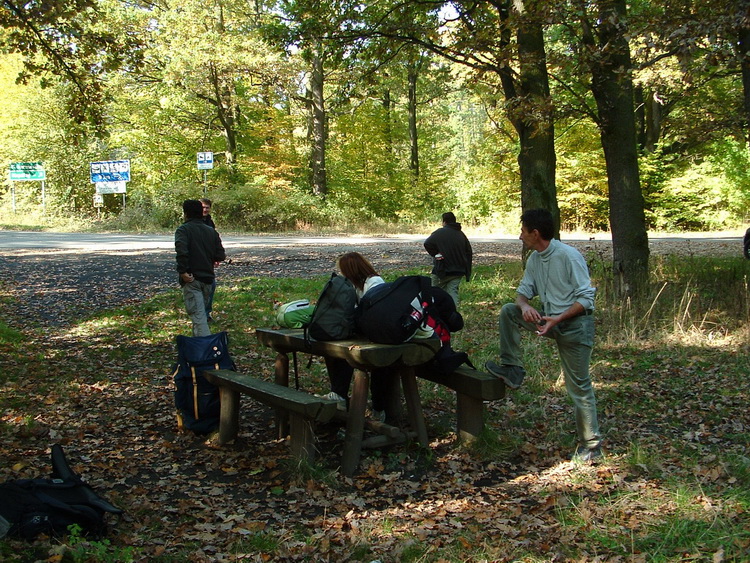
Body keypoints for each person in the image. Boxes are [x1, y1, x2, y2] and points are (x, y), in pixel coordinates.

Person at [485, 208, 602, 462]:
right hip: (549, 322)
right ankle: (512, 369)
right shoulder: (535, 260)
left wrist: (557, 319)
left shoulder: (568, 257)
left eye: (523, 231)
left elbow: (586, 299)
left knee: (579, 387)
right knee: (509, 311)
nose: (520, 237)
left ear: (535, 233)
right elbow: (523, 292)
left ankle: (592, 447)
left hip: (575, 326)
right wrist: (525, 306)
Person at [323, 252, 393, 422]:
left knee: (378, 364)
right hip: (367, 333)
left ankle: (379, 409)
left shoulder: (374, 283)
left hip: (384, 336)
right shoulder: (355, 286)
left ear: (352, 270)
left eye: (343, 271)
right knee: (336, 352)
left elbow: (376, 313)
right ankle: (339, 394)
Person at [175, 199, 226, 337]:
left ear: (185, 213)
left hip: (192, 279)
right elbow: (220, 255)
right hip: (208, 279)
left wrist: (183, 272)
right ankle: (196, 348)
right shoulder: (211, 231)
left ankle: (206, 350)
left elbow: (182, 252)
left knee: (199, 318)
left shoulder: (183, 230)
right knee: (199, 316)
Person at [424, 211, 473, 307]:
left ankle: (436, 314)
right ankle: (453, 314)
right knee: (452, 293)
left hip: (442, 270)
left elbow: (427, 243)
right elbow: (469, 252)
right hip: (458, 271)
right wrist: (467, 271)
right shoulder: (461, 234)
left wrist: (436, 254)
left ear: (444, 222)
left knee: (435, 292)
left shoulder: (439, 233)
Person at [199, 198, 218, 322]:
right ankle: (201, 313)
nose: (205, 210)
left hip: (208, 260)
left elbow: (214, 240)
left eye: (207, 207)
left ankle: (206, 313)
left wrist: (216, 256)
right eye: (202, 207)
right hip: (197, 260)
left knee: (211, 285)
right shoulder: (192, 222)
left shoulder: (210, 222)